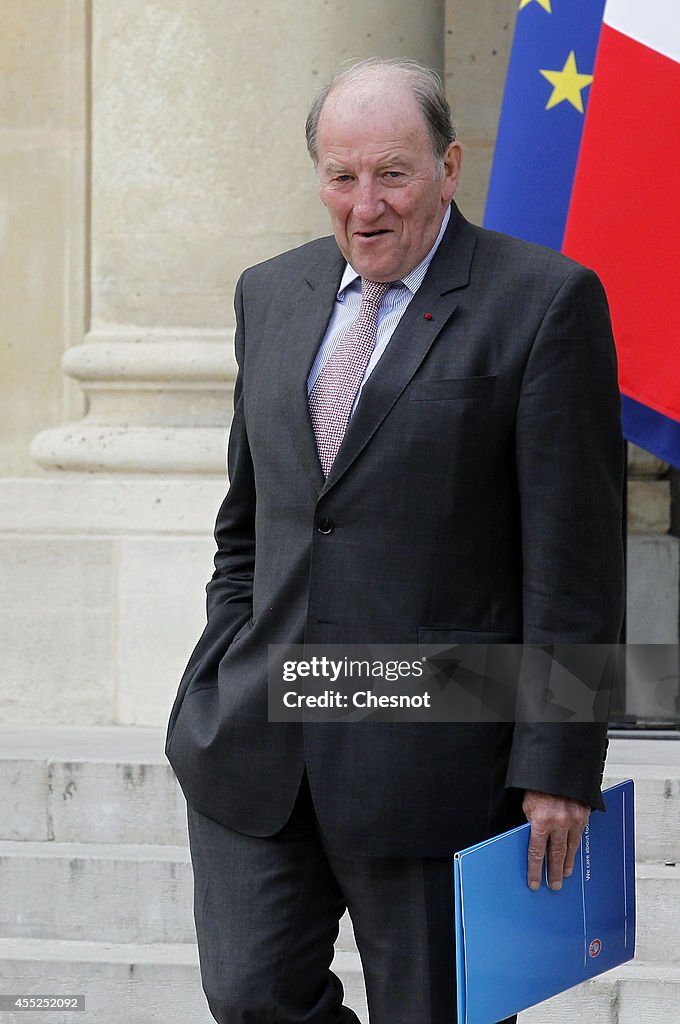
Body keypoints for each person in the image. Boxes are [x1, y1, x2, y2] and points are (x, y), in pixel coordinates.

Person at [166, 58, 624, 1024]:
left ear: (450, 167)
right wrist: (217, 668)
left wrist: (558, 760)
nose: (365, 205)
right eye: (341, 176)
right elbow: (248, 526)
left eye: (393, 174)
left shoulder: (543, 302)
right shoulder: (271, 293)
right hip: (257, 748)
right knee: (248, 996)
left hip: (438, 763)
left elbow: (574, 564)